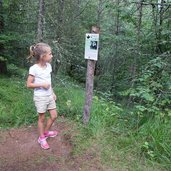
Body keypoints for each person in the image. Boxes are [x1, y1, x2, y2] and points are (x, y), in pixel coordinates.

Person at [27, 43, 58, 150]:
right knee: (42, 118)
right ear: (42, 56)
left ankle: (45, 132)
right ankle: (41, 138)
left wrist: (52, 92)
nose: (52, 55)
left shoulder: (49, 66)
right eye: (50, 54)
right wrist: (42, 85)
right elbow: (29, 84)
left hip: (49, 96)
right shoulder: (34, 69)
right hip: (40, 97)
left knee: (54, 116)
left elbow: (49, 82)